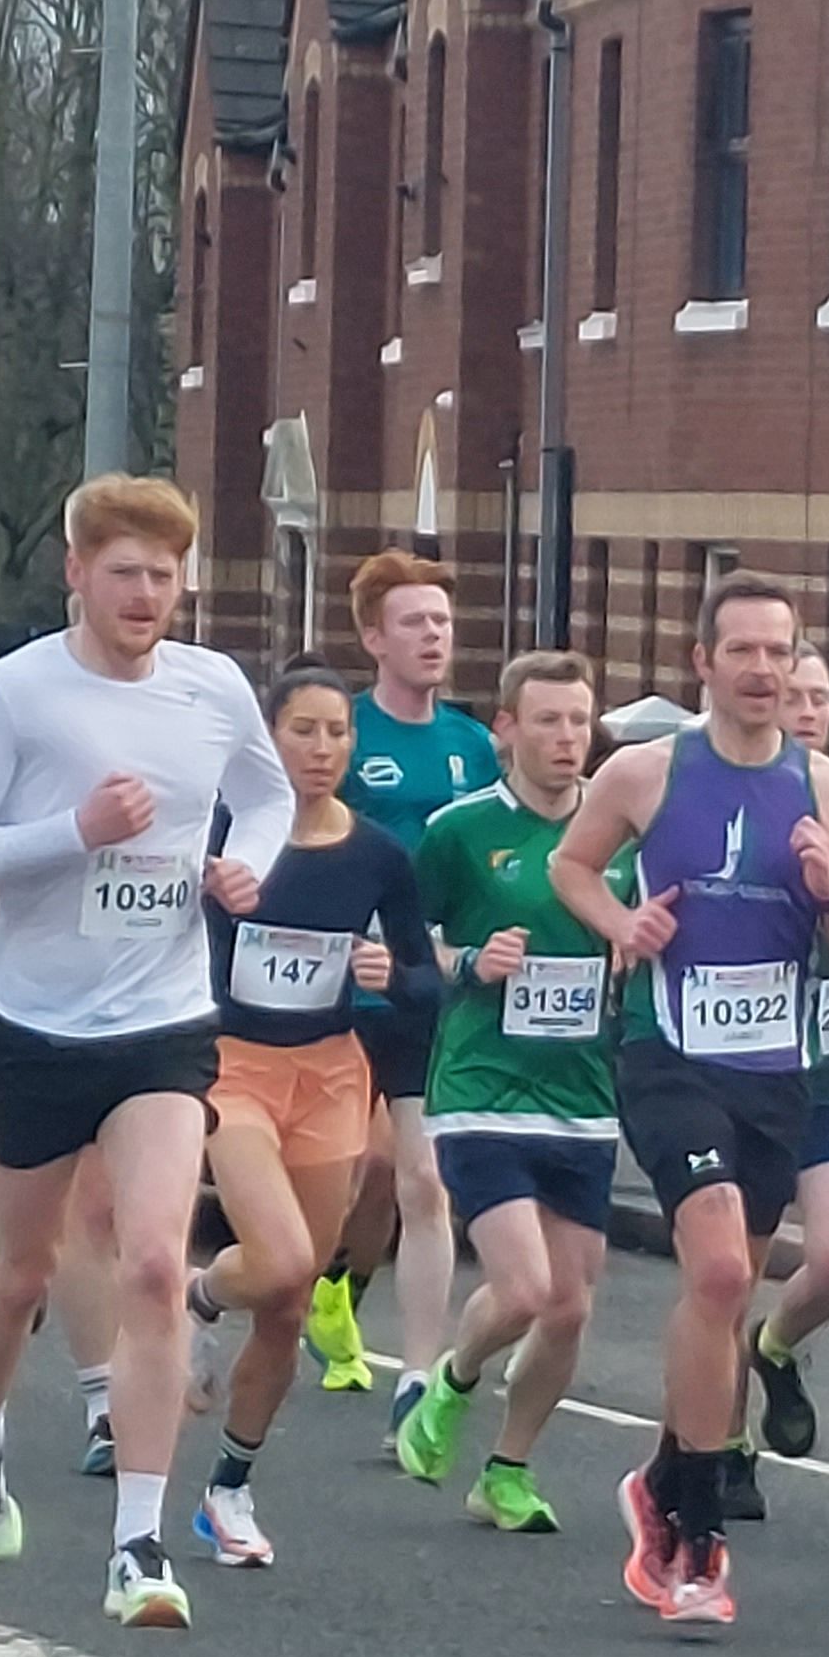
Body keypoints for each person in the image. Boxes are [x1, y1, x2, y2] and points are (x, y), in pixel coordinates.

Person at [0, 474, 295, 1629]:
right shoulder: (17, 695)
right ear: (76, 574)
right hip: (31, 1017)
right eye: (123, 572)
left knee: (146, 1264)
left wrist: (247, 869)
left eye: (163, 576)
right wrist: (73, 832)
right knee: (22, 1273)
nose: (145, 595)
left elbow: (267, 797)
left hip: (163, 1016)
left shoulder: (213, 686)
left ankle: (137, 1546)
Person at [553, 571, 829, 1629]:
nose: (762, 670)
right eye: (741, 651)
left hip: (777, 1068)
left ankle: (659, 1482)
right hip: (669, 1053)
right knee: (710, 1270)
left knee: (729, 1291)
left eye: (779, 652)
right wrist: (621, 929)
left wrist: (828, 891)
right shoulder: (646, 773)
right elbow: (573, 866)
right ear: (702, 664)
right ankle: (695, 1537)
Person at [178, 665, 437, 1569]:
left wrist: (391, 979)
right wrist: (208, 906)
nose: (322, 750)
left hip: (331, 1076)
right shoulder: (222, 844)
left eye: (336, 733)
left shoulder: (377, 856)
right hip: (234, 1070)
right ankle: (201, 1296)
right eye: (303, 732)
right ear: (268, 739)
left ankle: (230, 1488)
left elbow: (423, 980)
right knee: (281, 1256)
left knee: (291, 1299)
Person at [392, 651, 621, 1534]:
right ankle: (449, 1385)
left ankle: (508, 1468)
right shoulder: (460, 831)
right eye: (549, 721)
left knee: (570, 1304)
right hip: (482, 1087)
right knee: (523, 1288)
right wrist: (472, 964)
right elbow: (415, 947)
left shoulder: (619, 835)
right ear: (506, 732)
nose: (567, 738)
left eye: (578, 720)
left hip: (584, 1094)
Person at [325, 553, 503, 1405]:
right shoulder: (346, 734)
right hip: (337, 985)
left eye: (441, 621)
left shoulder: (473, 746)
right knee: (353, 1169)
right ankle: (332, 1281)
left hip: (426, 988)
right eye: (413, 623)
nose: (433, 636)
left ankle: (419, 1373)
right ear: (373, 638)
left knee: (422, 1177)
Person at [721, 648, 829, 1519]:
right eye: (797, 693)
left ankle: (776, 1347)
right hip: (736, 1071)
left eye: (823, 696)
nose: (809, 708)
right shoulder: (722, 800)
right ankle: (725, 1446)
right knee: (725, 1274)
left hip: (821, 1077)